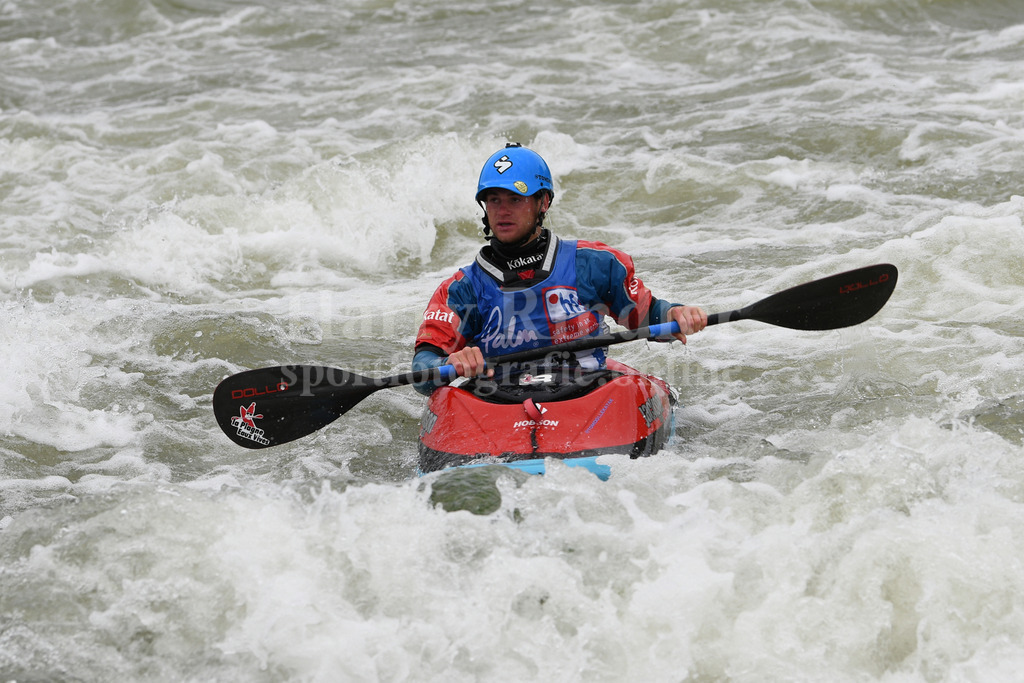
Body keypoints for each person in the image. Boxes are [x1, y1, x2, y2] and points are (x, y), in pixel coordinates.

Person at [412, 142, 707, 395]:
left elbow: (646, 314)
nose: (502, 211)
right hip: (500, 403)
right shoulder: (462, 289)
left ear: (543, 202)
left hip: (587, 394)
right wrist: (449, 364)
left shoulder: (592, 264)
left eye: (515, 199)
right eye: (494, 200)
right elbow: (422, 369)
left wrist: (674, 314)